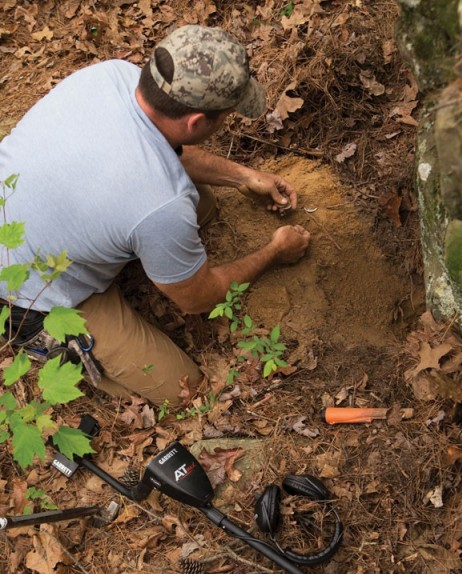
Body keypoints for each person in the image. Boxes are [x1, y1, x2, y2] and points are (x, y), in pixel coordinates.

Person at [0, 24, 310, 406]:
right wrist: (275, 253)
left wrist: (243, 177)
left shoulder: (112, 75)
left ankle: (119, 248)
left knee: (201, 204)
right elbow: (198, 298)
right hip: (28, 295)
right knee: (182, 390)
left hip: (24, 215)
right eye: (225, 116)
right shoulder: (159, 205)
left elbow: (161, 147)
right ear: (196, 122)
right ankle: (42, 339)